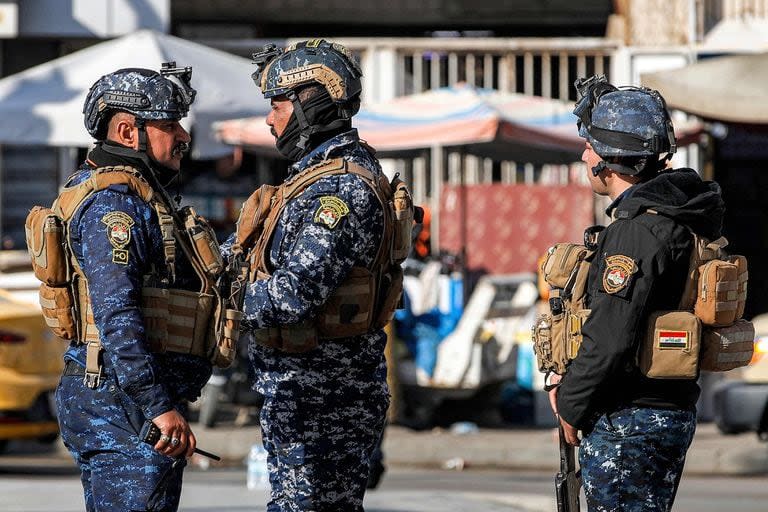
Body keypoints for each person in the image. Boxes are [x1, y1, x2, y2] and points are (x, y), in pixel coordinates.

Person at [226, 39, 407, 511]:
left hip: (325, 400)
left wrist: (220, 300)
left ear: (313, 101)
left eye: (278, 104)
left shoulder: (340, 190)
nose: (270, 119)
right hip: (304, 395)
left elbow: (292, 295)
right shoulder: (310, 179)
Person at [548, 76, 725, 511]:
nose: (583, 153)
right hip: (657, 412)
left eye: (590, 144)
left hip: (630, 418)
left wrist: (570, 403)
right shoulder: (676, 215)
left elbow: (610, 337)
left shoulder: (638, 231)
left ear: (608, 157)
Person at [51, 64, 216, 511]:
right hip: (122, 405)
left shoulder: (138, 197)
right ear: (128, 131)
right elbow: (117, 315)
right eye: (169, 125)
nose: (182, 136)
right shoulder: (113, 209)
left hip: (125, 401)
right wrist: (156, 405)